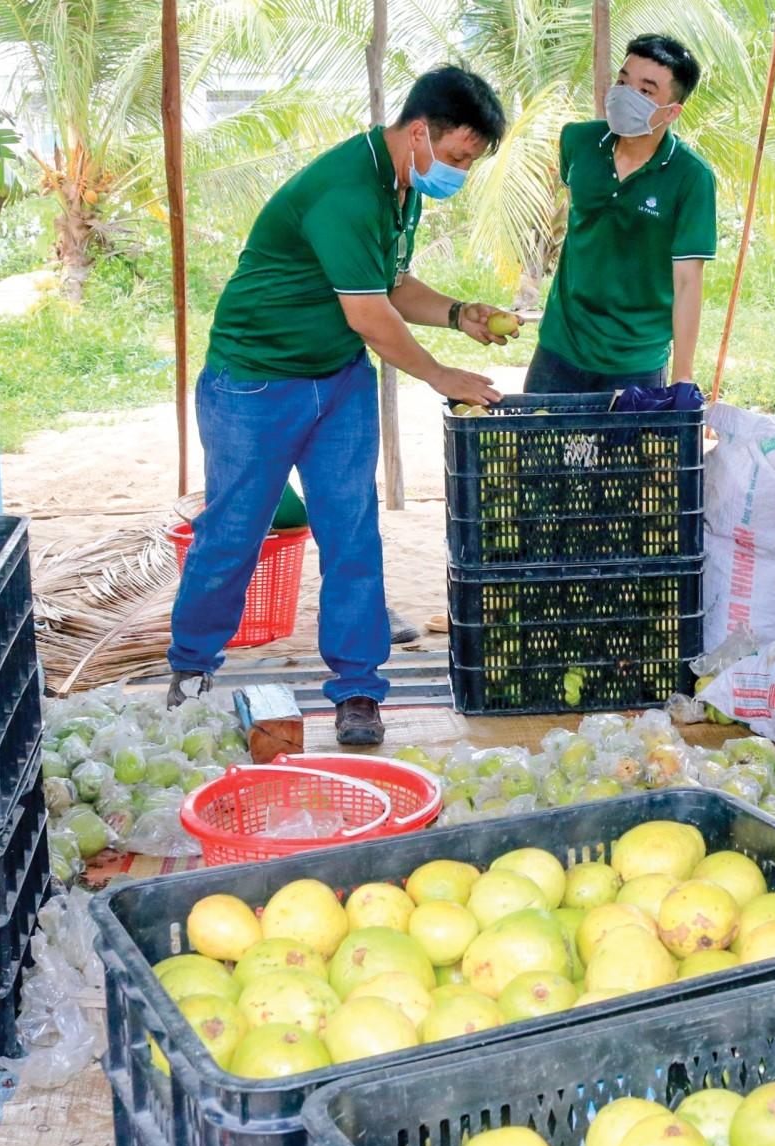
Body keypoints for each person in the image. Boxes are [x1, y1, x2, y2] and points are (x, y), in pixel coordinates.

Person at [166, 66, 510, 746]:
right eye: (460, 157)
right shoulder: (347, 190)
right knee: (234, 535)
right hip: (255, 384)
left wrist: (457, 312)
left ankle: (357, 689)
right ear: (420, 132)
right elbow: (370, 316)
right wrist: (441, 374)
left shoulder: (400, 184)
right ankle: (192, 668)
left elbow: (391, 282)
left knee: (352, 533)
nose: (461, 173)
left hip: (338, 380)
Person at [525, 34, 716, 397]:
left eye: (645, 91)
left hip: (636, 361)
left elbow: (688, 282)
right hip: (559, 347)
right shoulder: (577, 141)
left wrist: (683, 375)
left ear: (672, 111)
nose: (626, 94)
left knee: (623, 456)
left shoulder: (691, 177)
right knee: (540, 453)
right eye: (623, 80)